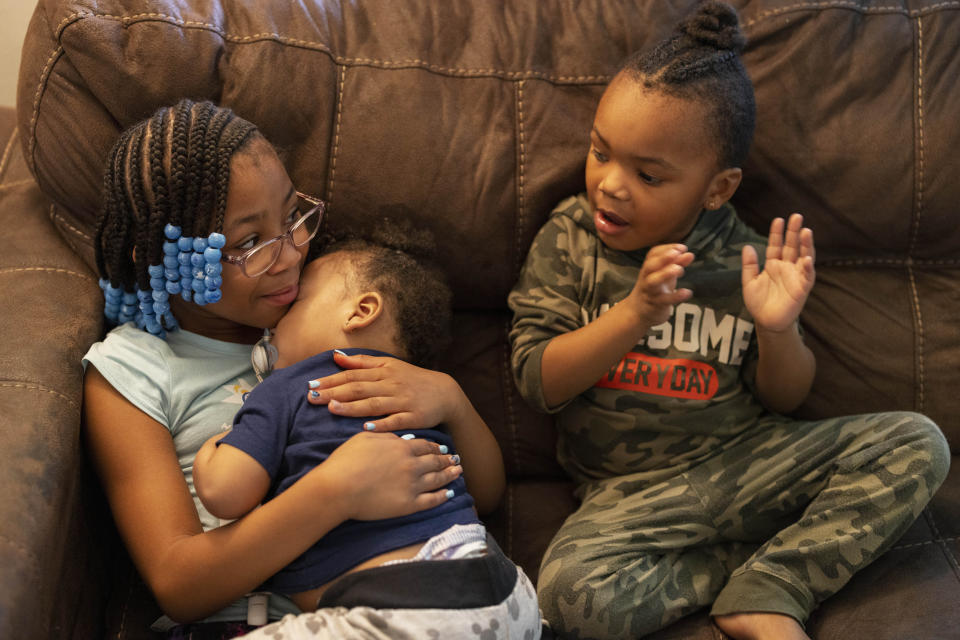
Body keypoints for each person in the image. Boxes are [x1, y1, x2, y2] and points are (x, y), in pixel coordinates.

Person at [508, 3, 950, 639]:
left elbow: (784, 397)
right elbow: (535, 379)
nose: (610, 184)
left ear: (716, 189)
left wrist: (777, 328)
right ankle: (751, 571)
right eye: (601, 152)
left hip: (747, 462)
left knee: (918, 442)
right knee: (572, 597)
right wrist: (634, 314)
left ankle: (777, 585)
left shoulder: (742, 256)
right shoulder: (571, 239)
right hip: (633, 495)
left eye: (648, 174)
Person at [81, 99, 509, 638]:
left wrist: (451, 399)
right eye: (250, 242)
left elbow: (483, 495)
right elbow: (178, 583)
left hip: (413, 604)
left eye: (291, 217)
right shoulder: (132, 371)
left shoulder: (325, 319)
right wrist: (335, 492)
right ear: (162, 260)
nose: (290, 254)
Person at [191, 236, 540, 638]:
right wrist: (455, 405)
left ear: (361, 311)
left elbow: (226, 493)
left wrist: (213, 451)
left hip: (406, 603)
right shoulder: (418, 399)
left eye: (294, 305)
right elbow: (488, 492)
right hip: (505, 592)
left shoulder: (289, 385)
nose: (273, 325)